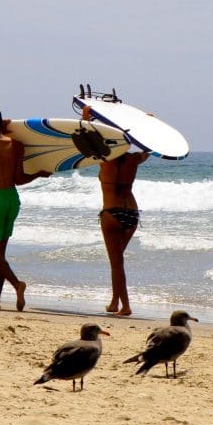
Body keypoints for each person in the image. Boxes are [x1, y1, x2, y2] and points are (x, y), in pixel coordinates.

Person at [0, 106, 50, 311]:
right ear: (0, 122)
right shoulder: (16, 145)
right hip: (12, 199)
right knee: (0, 255)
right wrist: (39, 174)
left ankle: (18, 285)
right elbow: (19, 179)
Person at [84, 106, 149, 316]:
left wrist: (86, 118)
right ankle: (114, 302)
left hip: (111, 213)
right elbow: (149, 148)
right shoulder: (134, 159)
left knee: (116, 264)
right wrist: (148, 126)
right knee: (118, 261)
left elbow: (87, 141)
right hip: (132, 214)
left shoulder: (104, 159)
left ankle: (126, 306)